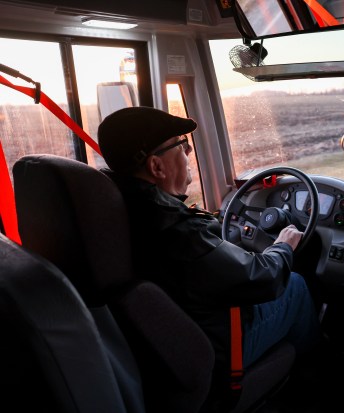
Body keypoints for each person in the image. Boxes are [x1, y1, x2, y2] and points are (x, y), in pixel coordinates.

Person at [97, 106, 320, 390]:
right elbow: (263, 278)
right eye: (181, 145)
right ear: (156, 166)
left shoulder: (122, 209)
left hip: (166, 345)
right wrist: (283, 246)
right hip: (218, 347)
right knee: (296, 286)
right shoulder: (177, 232)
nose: (189, 153)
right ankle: (314, 379)